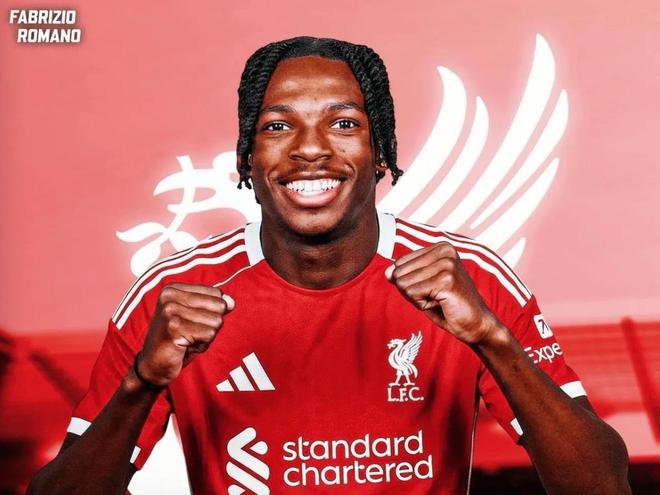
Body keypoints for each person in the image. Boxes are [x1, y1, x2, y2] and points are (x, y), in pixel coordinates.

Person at [28, 36, 631, 495]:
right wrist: (142, 383)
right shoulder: (176, 292)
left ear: (380, 153)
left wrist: (491, 341)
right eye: (277, 126)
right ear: (246, 159)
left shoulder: (468, 276)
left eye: (343, 124)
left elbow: (603, 484)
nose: (311, 148)